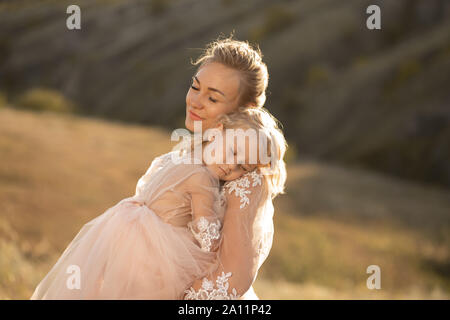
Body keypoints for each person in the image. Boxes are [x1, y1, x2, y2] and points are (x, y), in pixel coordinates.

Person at [30, 106, 280, 299]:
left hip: (125, 235)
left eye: (242, 167)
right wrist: (217, 239)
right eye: (233, 151)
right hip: (157, 255)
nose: (230, 165)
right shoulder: (202, 178)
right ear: (218, 131)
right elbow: (206, 232)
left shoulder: (178, 158)